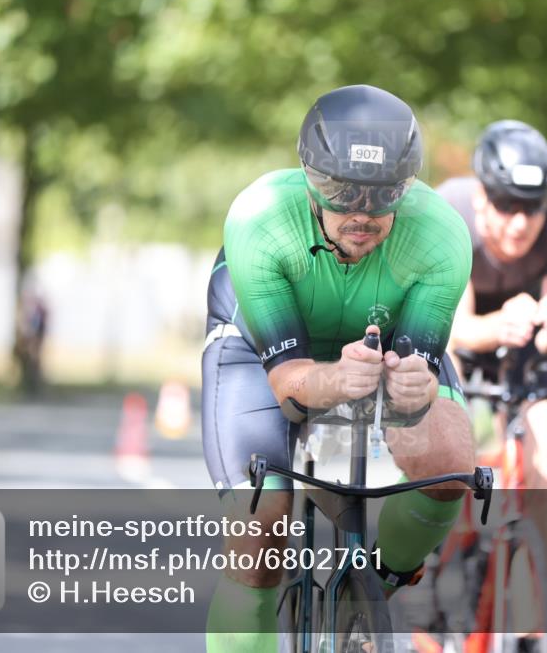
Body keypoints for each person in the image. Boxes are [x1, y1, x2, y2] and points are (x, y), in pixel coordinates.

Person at [201, 84, 475, 652]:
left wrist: (415, 385)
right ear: (308, 177)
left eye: (382, 196)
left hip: (376, 343)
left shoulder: (442, 235)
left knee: (449, 457)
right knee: (263, 525)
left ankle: (381, 583)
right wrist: (334, 380)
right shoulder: (261, 217)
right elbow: (288, 388)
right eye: (340, 191)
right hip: (260, 353)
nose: (361, 213)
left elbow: (418, 378)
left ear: (407, 188)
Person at [439, 120, 547, 587]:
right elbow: (452, 331)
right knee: (443, 455)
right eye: (507, 206)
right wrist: (496, 324)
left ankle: (533, 614)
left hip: (524, 346)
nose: (520, 222)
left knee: (540, 472)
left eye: (533, 207)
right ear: (482, 196)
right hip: (461, 331)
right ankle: (431, 571)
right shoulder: (450, 211)